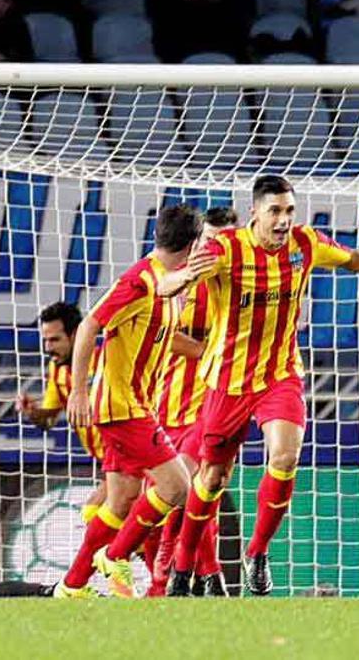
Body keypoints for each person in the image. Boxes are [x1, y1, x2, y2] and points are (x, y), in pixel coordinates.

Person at [160, 175, 359, 595]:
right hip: (228, 381)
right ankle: (183, 564)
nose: (283, 220)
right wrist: (180, 278)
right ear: (255, 214)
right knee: (211, 477)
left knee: (284, 456)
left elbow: (352, 259)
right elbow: (167, 286)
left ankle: (257, 553)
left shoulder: (305, 243)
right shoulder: (225, 249)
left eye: (289, 211)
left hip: (280, 374)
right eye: (275, 212)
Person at [54, 205, 203, 599]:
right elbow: (90, 325)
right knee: (178, 487)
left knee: (121, 501)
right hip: (122, 407)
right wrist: (80, 391)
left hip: (135, 405)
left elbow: (163, 337)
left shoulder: (169, 285)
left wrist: (208, 353)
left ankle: (72, 587)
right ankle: (117, 555)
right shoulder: (139, 281)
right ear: (193, 244)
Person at [150, 206, 237, 597]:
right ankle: (177, 574)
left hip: (220, 400)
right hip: (172, 401)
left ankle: (193, 577)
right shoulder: (183, 281)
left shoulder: (247, 279)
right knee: (182, 494)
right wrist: (209, 349)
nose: (218, 246)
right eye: (211, 239)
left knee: (207, 491)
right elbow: (159, 333)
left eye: (227, 238)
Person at [16, 302, 107, 522]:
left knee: (94, 514)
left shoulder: (107, 357)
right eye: (45, 340)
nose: (48, 347)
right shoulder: (56, 369)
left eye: (55, 339)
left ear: (76, 334)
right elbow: (48, 420)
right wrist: (33, 413)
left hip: (132, 455)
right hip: (107, 462)